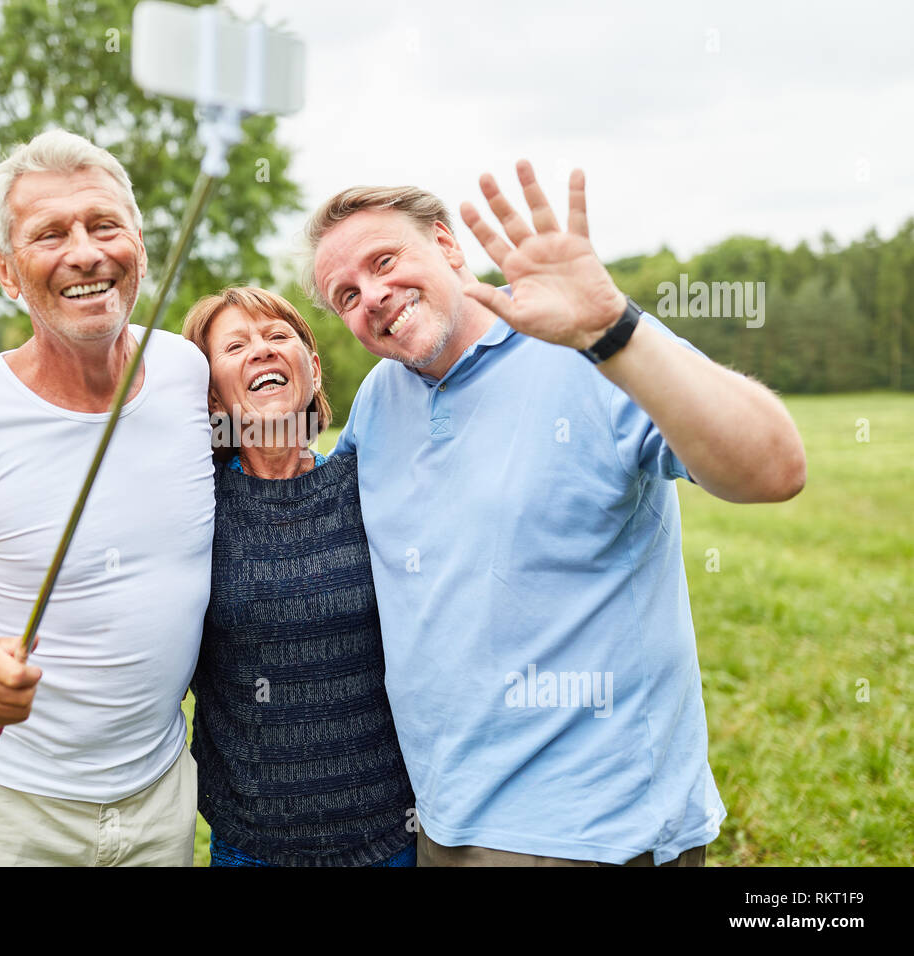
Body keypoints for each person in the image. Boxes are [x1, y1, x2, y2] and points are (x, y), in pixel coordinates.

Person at [304, 163, 808, 866]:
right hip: (443, 824)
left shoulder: (587, 350)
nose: (373, 297)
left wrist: (611, 329)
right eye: (346, 295)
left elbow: (774, 469)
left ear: (448, 246)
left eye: (385, 262)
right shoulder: (380, 400)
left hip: (597, 831)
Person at [0, 129, 214, 866]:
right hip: (6, 810)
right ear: (8, 271)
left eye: (105, 225)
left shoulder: (186, 371)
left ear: (139, 244)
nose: (86, 252)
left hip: (163, 798)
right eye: (50, 234)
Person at [180, 286, 416, 867]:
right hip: (251, 843)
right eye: (235, 346)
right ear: (212, 395)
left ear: (311, 369)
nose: (261, 351)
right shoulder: (190, 505)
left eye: (278, 336)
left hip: (391, 835)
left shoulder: (371, 484)